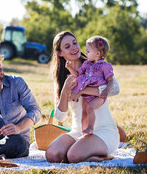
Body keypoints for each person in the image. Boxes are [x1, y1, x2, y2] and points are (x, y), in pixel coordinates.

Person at [45, 31, 120, 163]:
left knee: (73, 155)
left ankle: (99, 155)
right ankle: (84, 151)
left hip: (103, 131)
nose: (74, 47)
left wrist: (82, 90)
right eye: (67, 46)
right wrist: (65, 92)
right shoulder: (63, 78)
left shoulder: (96, 65)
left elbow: (114, 89)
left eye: (75, 43)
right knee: (52, 154)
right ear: (60, 53)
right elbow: (60, 117)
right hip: (78, 132)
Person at [66, 36, 114, 136]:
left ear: (97, 54)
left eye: (88, 51)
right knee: (84, 111)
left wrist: (106, 90)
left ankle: (90, 128)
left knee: (90, 108)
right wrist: (70, 68)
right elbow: (78, 74)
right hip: (87, 95)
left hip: (98, 96)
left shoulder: (105, 66)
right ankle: (84, 133)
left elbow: (110, 81)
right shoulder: (87, 64)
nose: (86, 53)